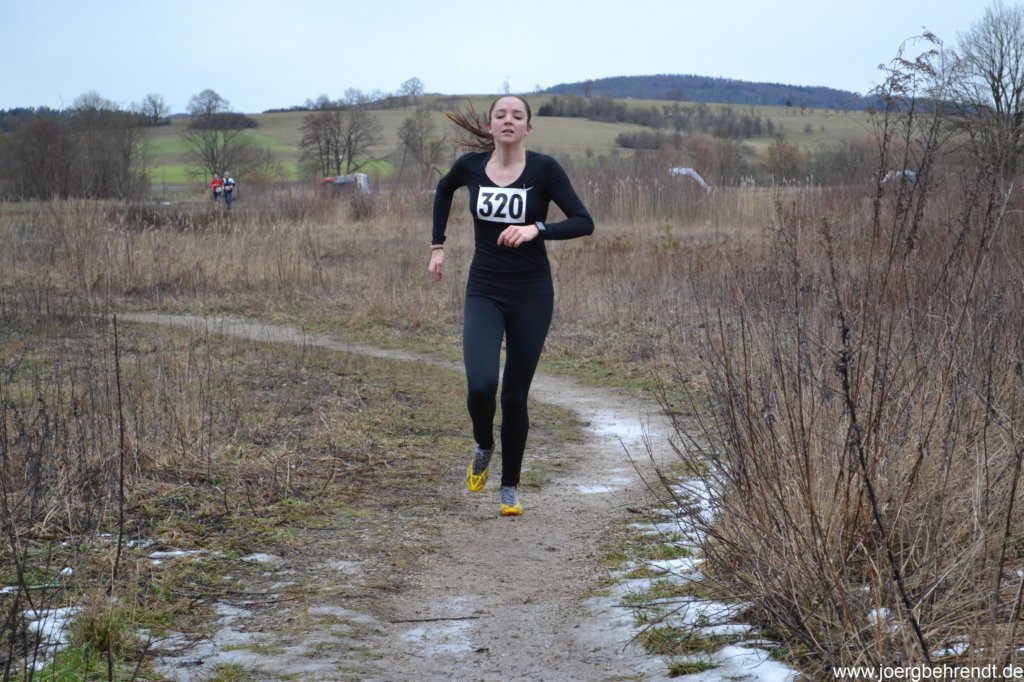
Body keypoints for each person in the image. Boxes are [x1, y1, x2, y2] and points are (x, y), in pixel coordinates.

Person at [428, 95, 594, 517]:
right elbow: (444, 190)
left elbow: (584, 221)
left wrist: (537, 228)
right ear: (490, 126)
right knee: (481, 386)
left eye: (517, 116)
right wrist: (437, 246)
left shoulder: (544, 169)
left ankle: (509, 487)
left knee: (515, 397)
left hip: (532, 295)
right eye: (500, 115)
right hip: (484, 290)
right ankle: (483, 443)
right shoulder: (470, 167)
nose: (508, 120)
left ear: (527, 129)